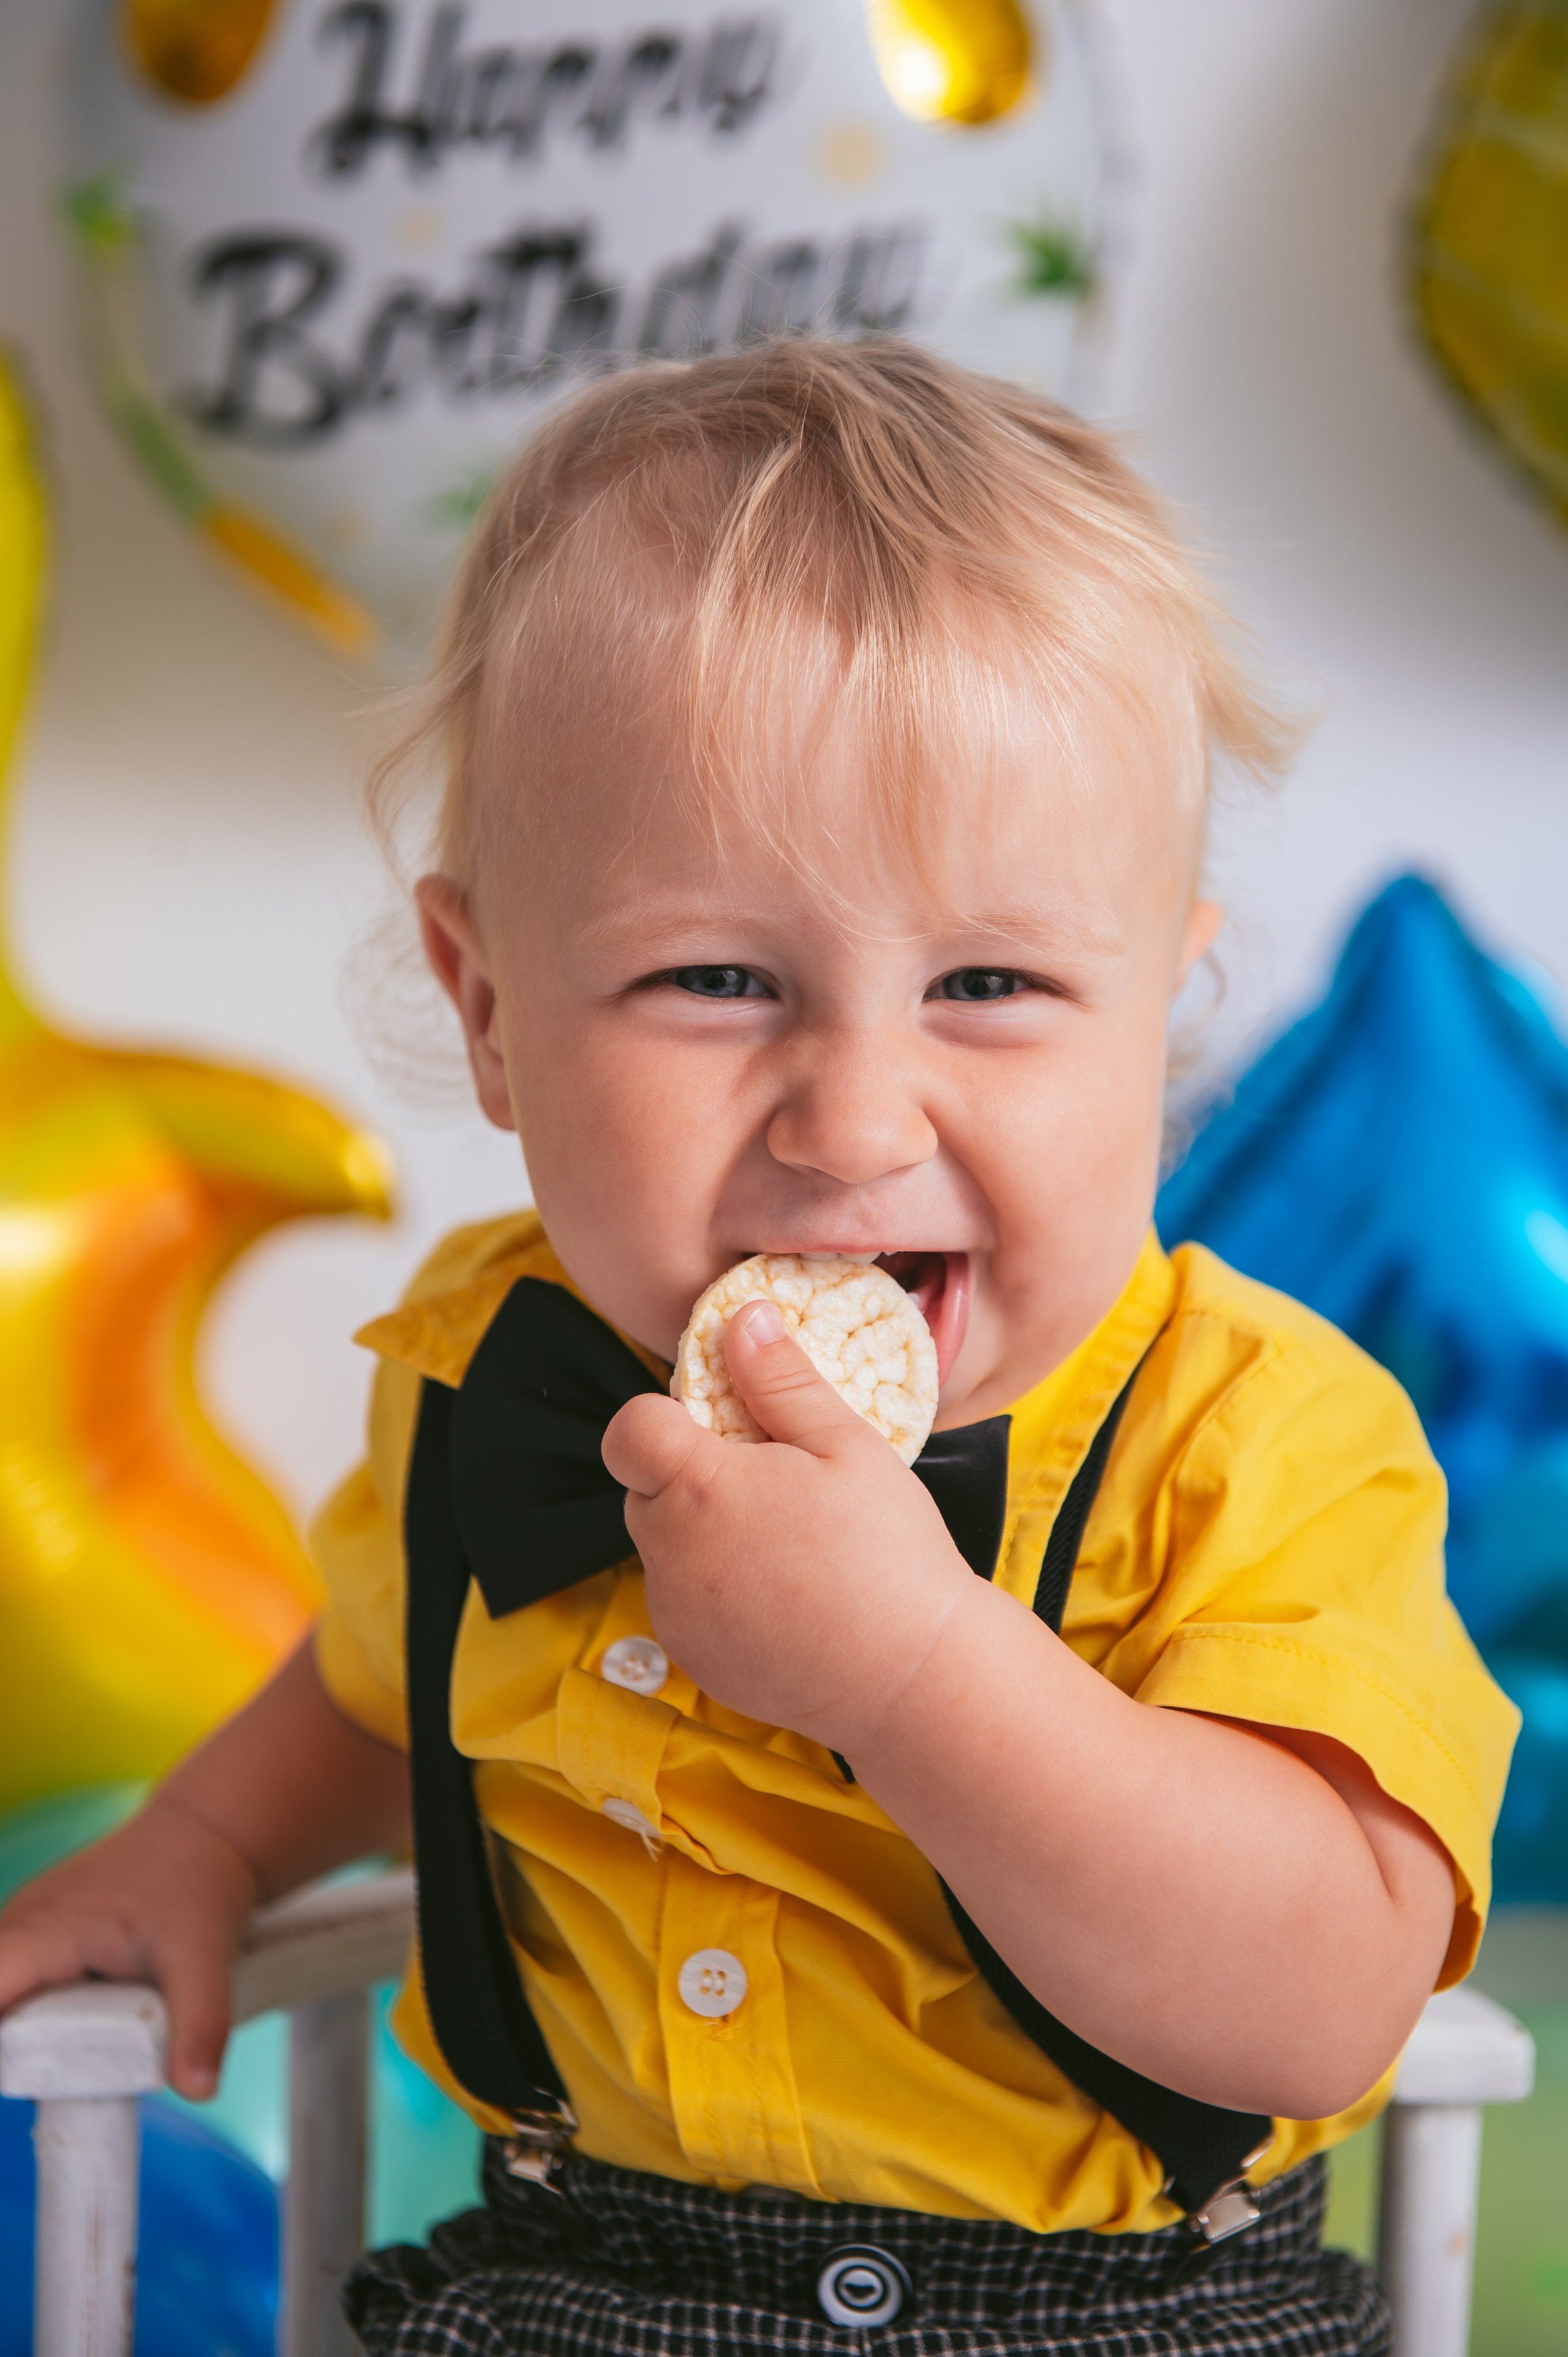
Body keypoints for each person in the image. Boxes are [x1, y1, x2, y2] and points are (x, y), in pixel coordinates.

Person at [0, 338, 1517, 2356]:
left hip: (1125, 2319)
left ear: (1159, 1018)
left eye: (990, 982)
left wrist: (908, 1667)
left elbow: (1324, 1989)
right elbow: (389, 1676)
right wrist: (196, 1843)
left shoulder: (1259, 1441)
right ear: (490, 1011)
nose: (856, 1118)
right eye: (715, 979)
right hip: (572, 2289)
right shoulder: (489, 1363)